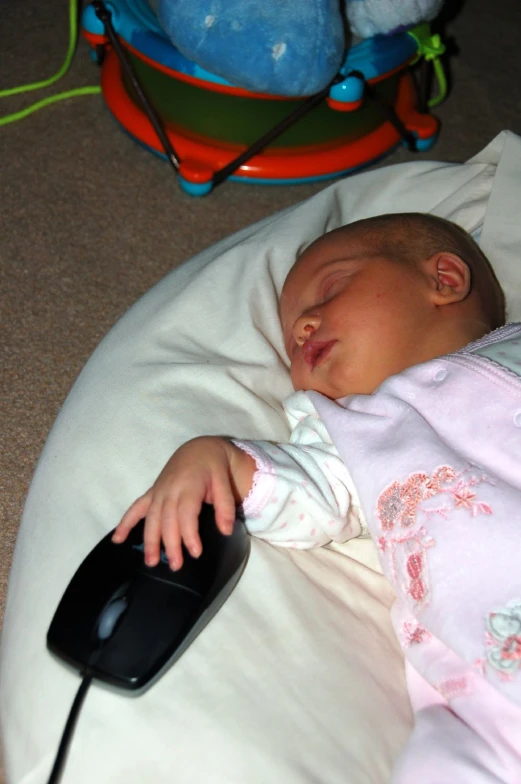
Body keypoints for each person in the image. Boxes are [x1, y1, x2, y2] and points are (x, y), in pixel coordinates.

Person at [114, 213, 521, 782]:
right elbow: (311, 489)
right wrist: (220, 460)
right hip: (491, 684)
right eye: (289, 338)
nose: (304, 326)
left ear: (445, 279)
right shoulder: (351, 427)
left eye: (331, 290)